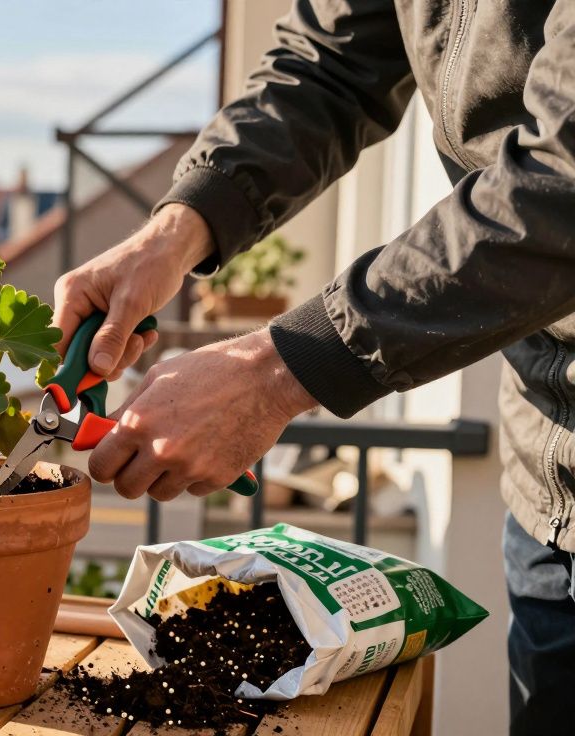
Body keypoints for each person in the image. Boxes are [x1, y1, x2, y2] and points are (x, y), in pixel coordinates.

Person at [51, 2, 575, 734]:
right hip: (549, 480)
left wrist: (274, 372)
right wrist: (174, 231)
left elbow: (561, 187)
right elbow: (329, 65)